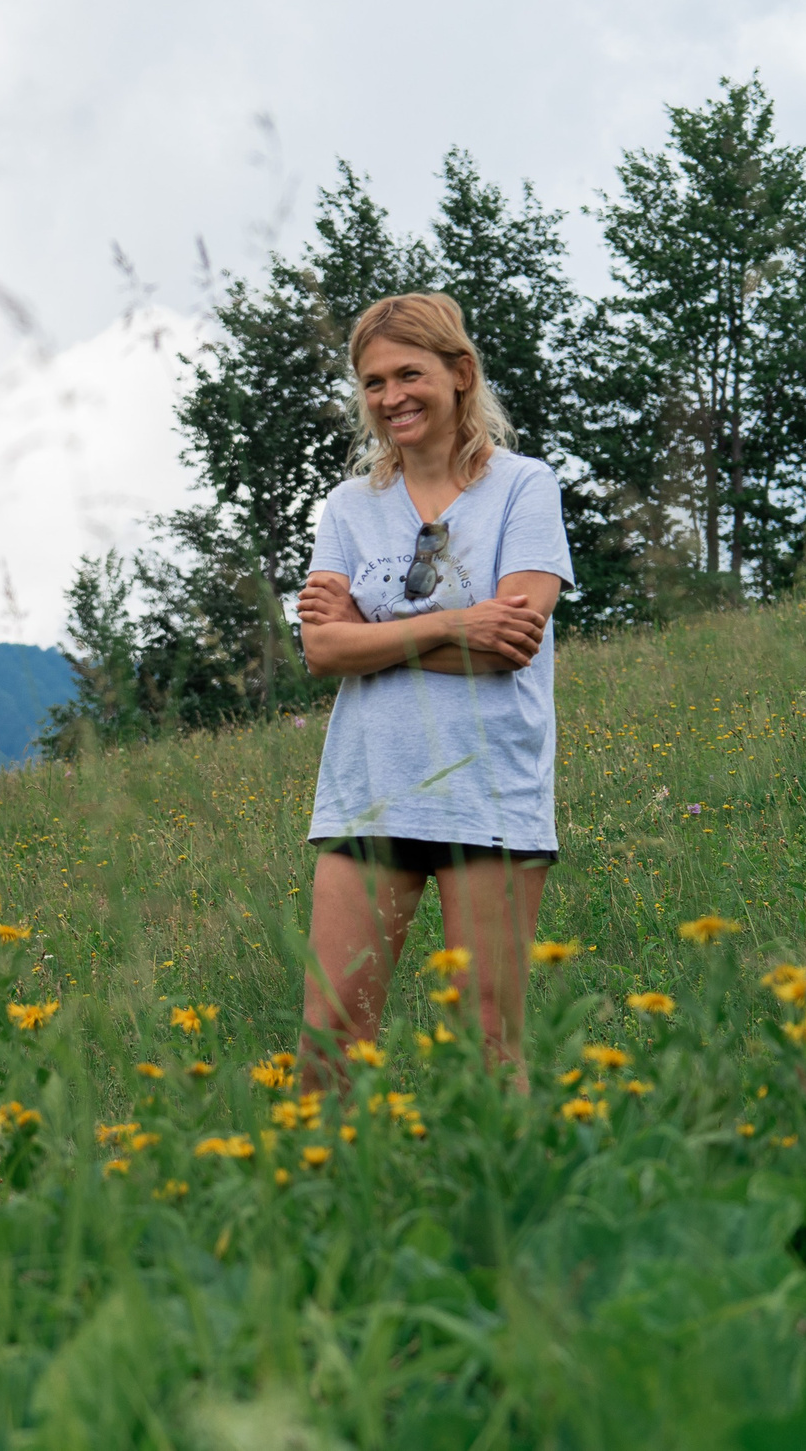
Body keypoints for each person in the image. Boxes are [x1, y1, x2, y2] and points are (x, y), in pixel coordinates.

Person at [294, 292, 574, 1077]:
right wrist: (457, 625)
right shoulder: (350, 508)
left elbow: (512, 641)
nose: (392, 397)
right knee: (330, 1038)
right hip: (368, 791)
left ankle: (500, 1203)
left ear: (460, 374)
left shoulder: (524, 487)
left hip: (489, 796)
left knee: (486, 1039)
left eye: (408, 373)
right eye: (374, 382)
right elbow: (321, 648)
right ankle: (321, 1199)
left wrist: (369, 634)